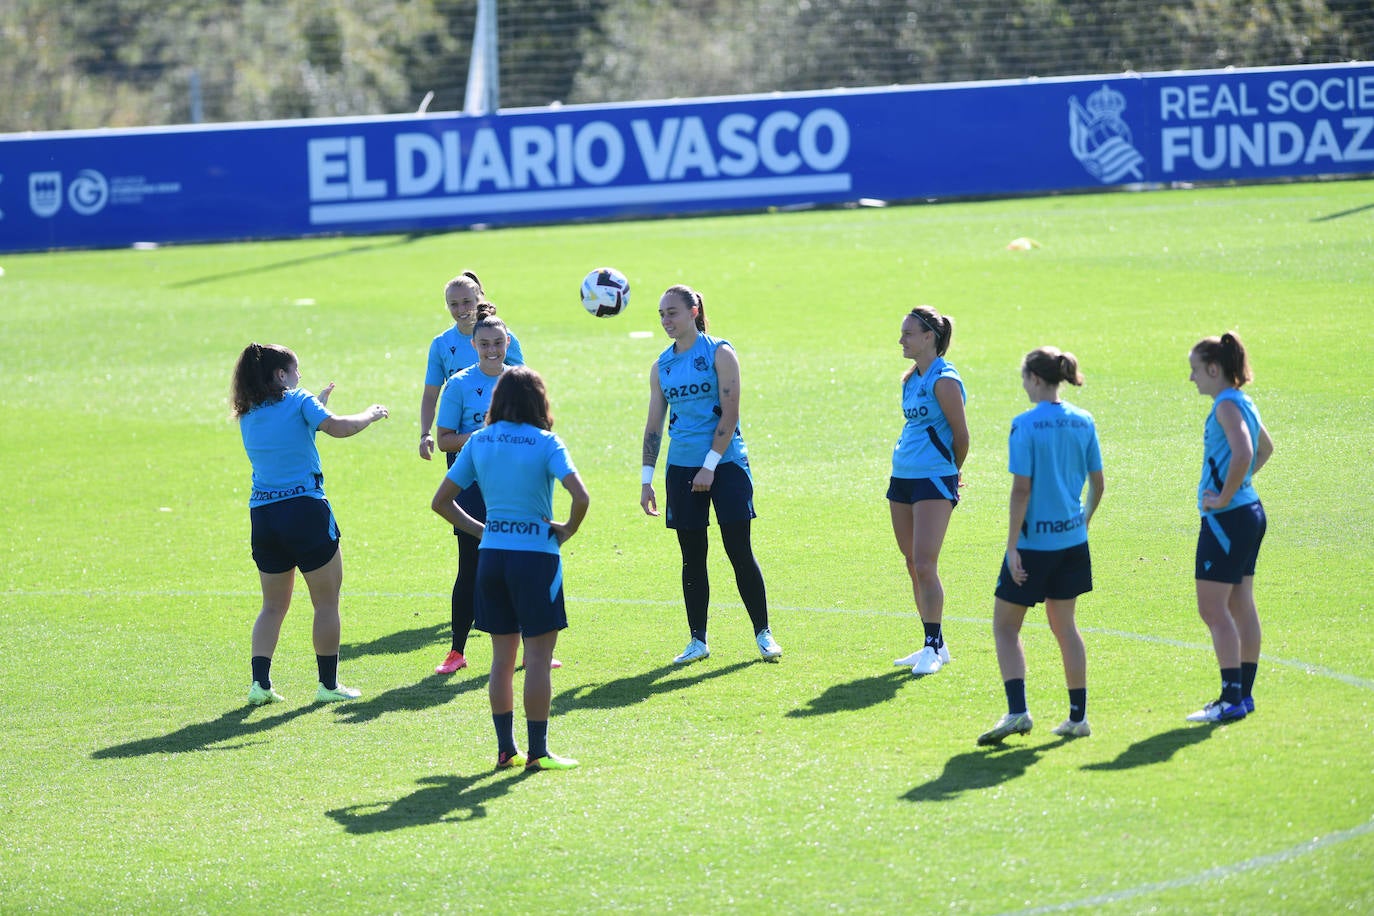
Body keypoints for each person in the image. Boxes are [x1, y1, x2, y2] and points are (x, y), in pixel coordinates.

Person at [431, 366, 589, 771]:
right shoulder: (546, 442)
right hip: (536, 558)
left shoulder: (480, 441)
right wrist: (566, 530)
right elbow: (581, 496)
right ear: (540, 401)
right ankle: (538, 752)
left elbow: (442, 502)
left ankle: (505, 750)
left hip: (493, 558)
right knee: (537, 658)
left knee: (502, 661)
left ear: (498, 399)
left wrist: (483, 531)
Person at [231, 342, 388, 705]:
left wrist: (314, 405)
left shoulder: (249, 413)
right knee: (326, 603)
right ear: (280, 375)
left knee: (272, 606)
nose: (300, 376)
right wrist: (370, 413)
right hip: (305, 510)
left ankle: (260, 685)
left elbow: (287, 434)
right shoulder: (299, 400)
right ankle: (328, 686)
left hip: (264, 516)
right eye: (295, 370)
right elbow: (339, 428)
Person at [640, 284, 781, 664]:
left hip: (726, 464)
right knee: (692, 557)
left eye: (672, 312)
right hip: (682, 468)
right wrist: (646, 478)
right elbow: (654, 425)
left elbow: (730, 412)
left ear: (694, 310)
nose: (666, 321)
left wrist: (710, 466)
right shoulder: (661, 366)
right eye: (661, 315)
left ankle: (763, 633)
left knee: (738, 550)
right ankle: (697, 640)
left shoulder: (720, 352)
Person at [976, 347, 1105, 745]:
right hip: (1071, 542)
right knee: (1065, 627)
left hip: (1034, 546)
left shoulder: (1024, 425)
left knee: (1005, 627)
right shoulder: (1083, 421)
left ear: (1034, 378)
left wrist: (1012, 547)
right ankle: (1078, 718)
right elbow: (1098, 484)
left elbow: (1021, 490)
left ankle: (1018, 712)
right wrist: (1081, 522)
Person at [417, 272, 527, 676]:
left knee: (522, 559)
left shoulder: (514, 370)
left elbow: (532, 417)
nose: (492, 349)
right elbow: (444, 427)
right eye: (454, 304)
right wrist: (434, 434)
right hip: (470, 473)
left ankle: (532, 647)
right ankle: (457, 650)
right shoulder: (457, 380)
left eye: (497, 343)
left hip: (514, 475)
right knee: (472, 561)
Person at [1184, 332, 1273, 724]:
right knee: (1240, 604)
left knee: (1213, 609)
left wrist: (1222, 496)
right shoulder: (1243, 400)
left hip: (1227, 519)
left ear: (1214, 369)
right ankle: (1243, 695)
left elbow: (1246, 451)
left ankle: (1231, 698)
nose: (1192, 379)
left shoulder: (1225, 405)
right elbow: (1265, 448)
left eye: (1195, 370)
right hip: (1249, 513)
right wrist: (1239, 488)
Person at [888, 306, 969, 676]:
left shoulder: (945, 380)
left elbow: (961, 435)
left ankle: (932, 647)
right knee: (910, 562)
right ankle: (933, 640)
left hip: (934, 479)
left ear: (928, 338)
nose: (901, 339)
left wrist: (955, 471)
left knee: (925, 563)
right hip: (902, 476)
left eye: (907, 333)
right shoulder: (910, 379)